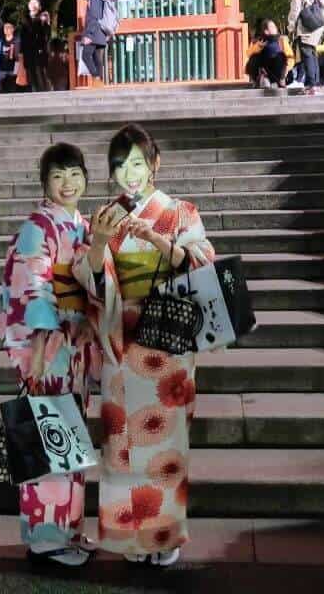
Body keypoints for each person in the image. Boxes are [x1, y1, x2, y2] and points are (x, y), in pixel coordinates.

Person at [74, 124, 215, 568]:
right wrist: (98, 241)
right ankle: (129, 534)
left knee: (164, 443)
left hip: (166, 343)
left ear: (155, 163)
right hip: (121, 339)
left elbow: (201, 261)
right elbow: (89, 280)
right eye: (120, 166)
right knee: (121, 442)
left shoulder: (180, 213)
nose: (129, 174)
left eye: (137, 163)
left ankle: (164, 534)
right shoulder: (105, 217)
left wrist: (157, 239)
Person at [0, 143, 102, 567]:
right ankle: (45, 538)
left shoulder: (83, 225)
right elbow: (31, 280)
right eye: (58, 176)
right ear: (45, 184)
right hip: (48, 347)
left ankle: (69, 529)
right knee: (50, 436)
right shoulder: (37, 227)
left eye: (75, 174)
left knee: (70, 438)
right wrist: (48, 327)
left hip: (73, 346)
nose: (68, 183)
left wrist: (89, 317)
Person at [287, 0, 324, 95]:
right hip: (318, 25)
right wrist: (322, 23)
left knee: (306, 53)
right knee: (312, 52)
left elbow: (295, 9)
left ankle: (311, 85)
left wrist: (291, 27)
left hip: (306, 26)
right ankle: (316, 83)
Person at [245, 19, 291, 89]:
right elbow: (248, 54)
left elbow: (290, 57)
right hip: (265, 70)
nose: (275, 28)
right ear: (266, 31)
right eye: (272, 27)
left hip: (279, 71)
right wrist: (259, 46)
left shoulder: (281, 40)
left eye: (275, 26)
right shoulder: (260, 41)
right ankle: (258, 79)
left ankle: (280, 81)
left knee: (280, 56)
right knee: (254, 58)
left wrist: (286, 70)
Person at [18, 0, 51, 93]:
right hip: (28, 50)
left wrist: (45, 22)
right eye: (31, 3)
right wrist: (21, 51)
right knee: (30, 72)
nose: (33, 5)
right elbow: (22, 36)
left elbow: (46, 34)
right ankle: (34, 91)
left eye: (35, 3)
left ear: (39, 6)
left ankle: (44, 91)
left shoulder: (43, 16)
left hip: (39, 48)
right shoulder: (25, 18)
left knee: (40, 71)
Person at [80, 0, 108, 85]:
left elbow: (94, 17)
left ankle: (97, 78)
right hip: (99, 33)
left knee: (86, 55)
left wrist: (89, 35)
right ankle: (99, 82)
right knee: (97, 59)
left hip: (94, 34)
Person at [0, 22, 20, 93]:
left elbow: (17, 58)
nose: (6, 29)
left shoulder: (16, 41)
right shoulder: (0, 41)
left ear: (13, 29)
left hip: (12, 70)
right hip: (1, 69)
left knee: (12, 88)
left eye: (8, 27)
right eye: (5, 27)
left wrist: (16, 71)